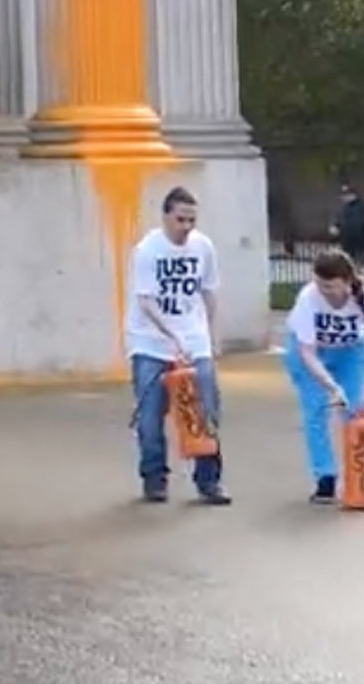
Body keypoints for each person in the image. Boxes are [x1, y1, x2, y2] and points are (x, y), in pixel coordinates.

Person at [124, 186, 233, 506]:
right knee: (150, 415)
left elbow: (208, 292)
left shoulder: (203, 247)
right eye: (180, 219)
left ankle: (209, 480)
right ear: (166, 217)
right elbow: (146, 301)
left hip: (193, 339)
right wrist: (173, 338)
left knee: (206, 411)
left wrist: (207, 336)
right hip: (150, 341)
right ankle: (154, 477)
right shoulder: (148, 250)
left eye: (191, 220)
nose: (186, 227)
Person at [283, 247, 364, 504]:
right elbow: (307, 352)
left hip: (349, 352)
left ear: (347, 282)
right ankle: (325, 476)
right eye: (320, 284)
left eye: (330, 286)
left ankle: (358, 476)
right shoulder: (308, 298)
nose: (324, 292)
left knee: (354, 409)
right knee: (316, 410)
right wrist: (331, 386)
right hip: (310, 356)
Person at [331, 183, 364, 267]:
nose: (342, 197)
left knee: (355, 264)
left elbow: (355, 226)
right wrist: (336, 225)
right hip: (347, 242)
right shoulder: (345, 207)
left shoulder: (357, 208)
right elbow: (339, 218)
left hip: (355, 243)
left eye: (345, 194)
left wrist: (340, 229)